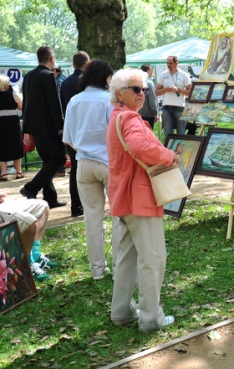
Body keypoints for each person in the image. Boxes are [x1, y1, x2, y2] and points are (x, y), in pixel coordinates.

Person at [107, 68, 180, 331]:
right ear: (119, 93)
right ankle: (150, 319)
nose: (142, 94)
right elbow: (140, 147)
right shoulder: (130, 118)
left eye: (144, 89)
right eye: (136, 89)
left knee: (127, 258)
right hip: (139, 197)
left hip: (123, 197)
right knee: (153, 259)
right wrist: (168, 155)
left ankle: (121, 312)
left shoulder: (118, 116)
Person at [63, 59, 122, 280]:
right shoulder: (109, 102)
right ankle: (119, 267)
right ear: (104, 77)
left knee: (92, 219)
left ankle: (97, 270)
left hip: (83, 164)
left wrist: (85, 148)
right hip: (108, 163)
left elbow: (68, 138)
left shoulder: (74, 101)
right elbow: (116, 135)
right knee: (118, 217)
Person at [20, 45, 66, 209]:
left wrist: (26, 129)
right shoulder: (48, 76)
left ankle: (50, 198)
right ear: (52, 59)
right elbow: (54, 104)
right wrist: (61, 126)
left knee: (48, 161)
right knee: (59, 158)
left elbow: (26, 104)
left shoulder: (29, 76)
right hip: (49, 127)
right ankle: (31, 187)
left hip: (35, 126)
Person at [60, 51, 91, 218]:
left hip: (71, 130)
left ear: (73, 64)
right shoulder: (88, 83)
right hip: (87, 129)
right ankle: (88, 203)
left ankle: (75, 205)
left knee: (75, 167)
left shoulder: (64, 83)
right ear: (87, 64)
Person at [0, 75, 24, 181]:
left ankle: (3, 174)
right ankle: (19, 172)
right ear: (5, 84)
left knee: (0, 146)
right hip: (12, 123)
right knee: (16, 145)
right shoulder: (13, 94)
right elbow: (22, 107)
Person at [156, 56, 191, 138]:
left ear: (176, 63)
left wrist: (178, 90)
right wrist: (165, 90)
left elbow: (190, 93)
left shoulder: (184, 75)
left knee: (181, 133)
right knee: (168, 133)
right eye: (167, 63)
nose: (168, 65)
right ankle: (168, 150)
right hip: (166, 107)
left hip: (179, 108)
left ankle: (180, 150)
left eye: (170, 63)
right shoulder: (163, 74)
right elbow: (156, 92)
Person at [138, 64, 158, 129]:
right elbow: (152, 99)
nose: (152, 72)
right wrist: (155, 113)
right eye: (151, 70)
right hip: (148, 115)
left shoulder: (136, 83)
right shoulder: (149, 83)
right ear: (147, 71)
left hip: (138, 113)